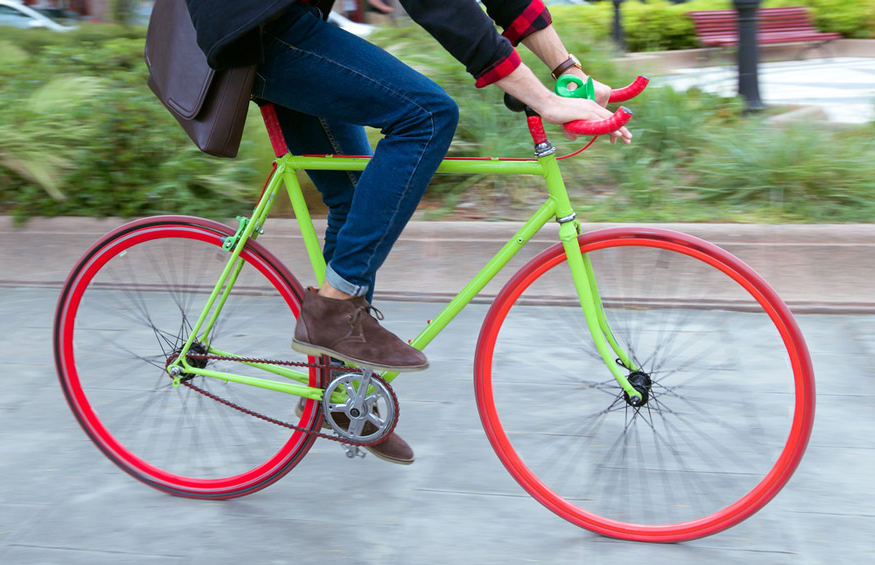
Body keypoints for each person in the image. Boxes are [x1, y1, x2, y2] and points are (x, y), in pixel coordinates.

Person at [186, 0, 632, 465]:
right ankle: (334, 310)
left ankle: (338, 395)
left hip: (275, 22)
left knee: (358, 193)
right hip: (255, 26)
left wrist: (566, 70)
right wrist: (542, 97)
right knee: (428, 115)